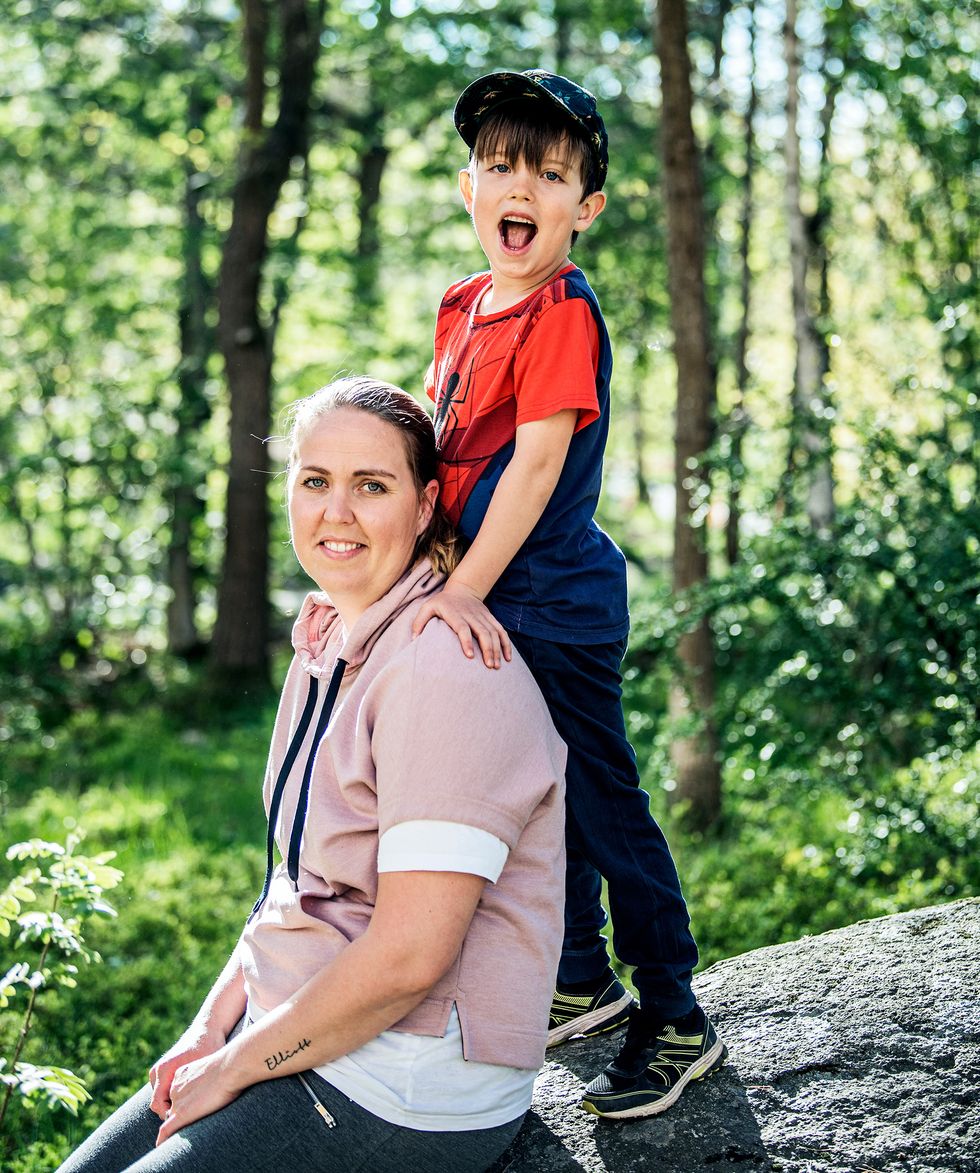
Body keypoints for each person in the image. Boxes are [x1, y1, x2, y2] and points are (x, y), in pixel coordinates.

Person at [58, 377, 568, 1173]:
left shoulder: (446, 672)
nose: (338, 511)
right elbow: (297, 886)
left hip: (404, 1083)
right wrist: (210, 1026)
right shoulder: (329, 638)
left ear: (428, 502)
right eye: (316, 481)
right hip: (297, 1027)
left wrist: (232, 1065)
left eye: (373, 485)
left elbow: (409, 958)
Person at [412, 69, 726, 1120]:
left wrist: (464, 593)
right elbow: (443, 432)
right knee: (534, 801)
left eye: (548, 173)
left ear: (582, 209)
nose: (520, 186)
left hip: (550, 603)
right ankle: (577, 980)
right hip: (492, 597)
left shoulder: (559, 311)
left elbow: (535, 469)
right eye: (499, 164)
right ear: (467, 187)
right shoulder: (464, 303)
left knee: (599, 802)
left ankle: (674, 1012)